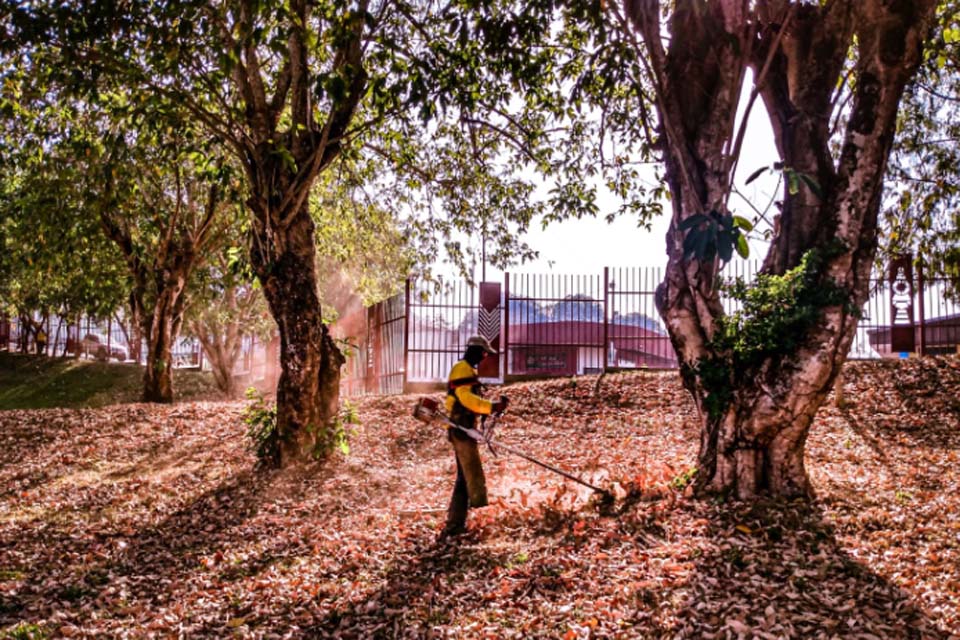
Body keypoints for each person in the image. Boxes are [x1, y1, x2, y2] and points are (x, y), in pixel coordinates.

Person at [441, 335, 509, 538]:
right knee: (466, 476)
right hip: (460, 427)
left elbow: (470, 399)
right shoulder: (462, 367)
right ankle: (454, 525)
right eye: (484, 352)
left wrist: (491, 408)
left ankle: (457, 522)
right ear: (476, 351)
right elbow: (466, 398)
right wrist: (491, 407)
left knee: (465, 476)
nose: (485, 356)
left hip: (464, 427)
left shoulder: (469, 370)